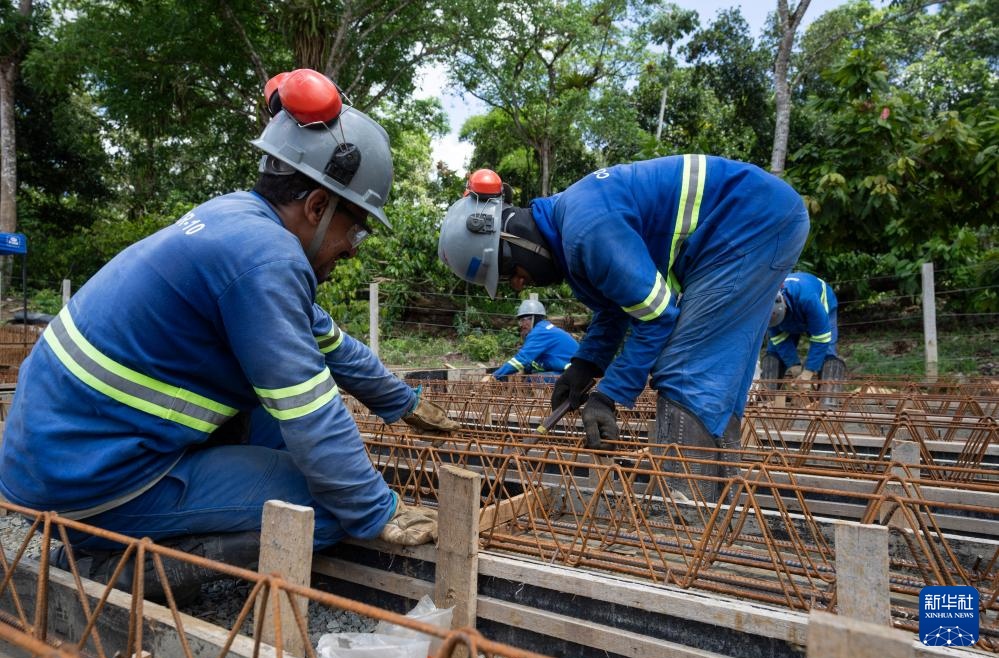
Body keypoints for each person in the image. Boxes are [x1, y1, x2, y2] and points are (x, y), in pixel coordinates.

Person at [0, 69, 455, 599]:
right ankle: (106, 568)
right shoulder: (266, 260)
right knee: (327, 509)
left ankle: (144, 528)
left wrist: (401, 402)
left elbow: (327, 340)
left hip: (59, 450)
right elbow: (308, 406)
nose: (352, 248)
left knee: (299, 449)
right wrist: (377, 509)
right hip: (87, 477)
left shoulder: (238, 221)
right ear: (316, 206)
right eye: (355, 229)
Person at [438, 158, 809, 501]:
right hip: (756, 218)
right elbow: (616, 307)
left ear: (513, 238)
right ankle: (718, 504)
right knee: (715, 379)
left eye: (508, 272)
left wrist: (608, 395)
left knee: (685, 369)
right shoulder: (571, 229)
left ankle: (684, 518)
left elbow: (658, 316)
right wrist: (585, 364)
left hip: (750, 221)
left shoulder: (587, 230)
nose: (518, 284)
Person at [761, 272, 846, 385]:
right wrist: (793, 364)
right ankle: (770, 393)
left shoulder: (808, 299)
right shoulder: (765, 307)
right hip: (793, 306)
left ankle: (829, 393)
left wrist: (809, 370)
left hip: (819, 303)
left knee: (827, 355)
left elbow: (822, 337)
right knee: (774, 354)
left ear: (783, 305)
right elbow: (778, 339)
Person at [488, 299, 579, 382]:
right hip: (574, 371)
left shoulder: (540, 332)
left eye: (523, 320)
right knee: (532, 375)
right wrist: (524, 370)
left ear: (533, 318)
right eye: (520, 321)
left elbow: (521, 359)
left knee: (532, 380)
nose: (521, 324)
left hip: (574, 374)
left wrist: (494, 376)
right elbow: (533, 361)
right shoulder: (544, 328)